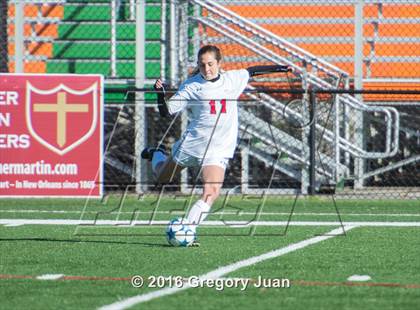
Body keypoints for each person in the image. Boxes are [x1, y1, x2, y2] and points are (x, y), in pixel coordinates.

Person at [142, 45, 291, 246]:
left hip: (217, 149)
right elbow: (165, 112)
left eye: (211, 64)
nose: (207, 69)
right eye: (202, 65)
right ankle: (157, 153)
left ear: (220, 63)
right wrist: (160, 94)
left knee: (211, 191)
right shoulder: (191, 86)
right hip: (192, 145)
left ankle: (189, 229)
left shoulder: (232, 79)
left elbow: (252, 71)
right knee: (163, 176)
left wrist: (279, 68)